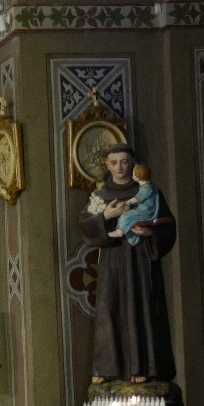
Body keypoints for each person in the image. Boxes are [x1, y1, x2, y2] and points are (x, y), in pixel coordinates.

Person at [77, 144, 176, 383]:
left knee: (143, 309)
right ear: (107, 166)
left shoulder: (148, 190)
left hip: (141, 262)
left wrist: (148, 232)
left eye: (124, 161)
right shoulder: (101, 196)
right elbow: (85, 225)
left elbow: (167, 225)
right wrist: (106, 217)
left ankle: (143, 368)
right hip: (112, 262)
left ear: (133, 163)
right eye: (114, 162)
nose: (120, 167)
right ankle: (106, 370)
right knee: (109, 311)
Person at [110, 163, 159, 247]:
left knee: (127, 216)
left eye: (133, 174)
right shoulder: (145, 186)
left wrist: (127, 202)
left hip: (146, 212)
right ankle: (133, 239)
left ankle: (120, 232)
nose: (132, 175)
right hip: (142, 209)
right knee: (124, 216)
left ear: (138, 175)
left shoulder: (147, 188)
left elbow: (137, 199)